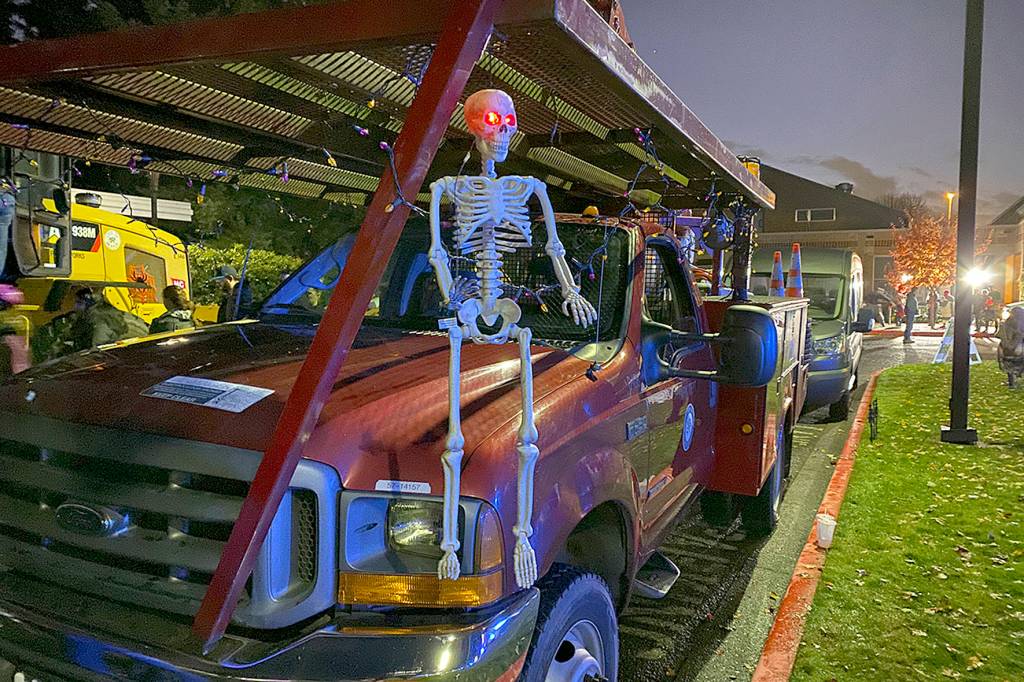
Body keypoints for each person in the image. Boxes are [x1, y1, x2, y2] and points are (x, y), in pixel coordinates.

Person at [996, 306, 1024, 388]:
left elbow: (998, 335)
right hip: (1020, 349)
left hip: (1007, 349)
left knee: (1009, 365)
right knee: (1019, 363)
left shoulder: (1007, 322)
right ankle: (1016, 379)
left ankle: (1012, 383)